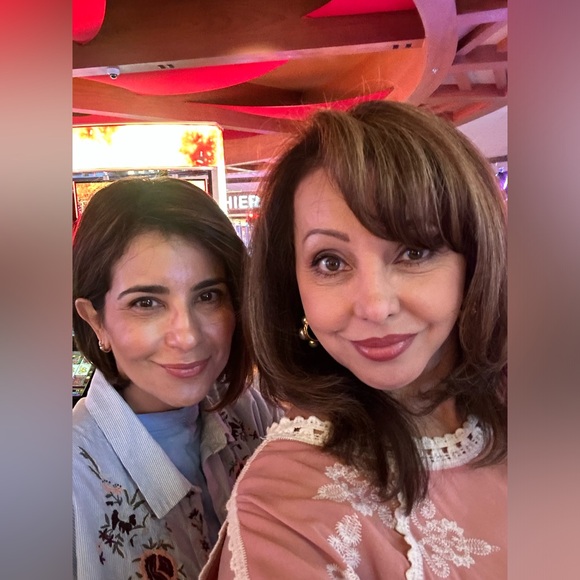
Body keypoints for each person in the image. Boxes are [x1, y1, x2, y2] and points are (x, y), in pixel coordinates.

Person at [200, 100, 507, 579]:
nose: (374, 305)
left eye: (414, 251)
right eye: (331, 262)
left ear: (475, 258)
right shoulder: (285, 505)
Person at [72, 177, 279, 579]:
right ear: (95, 320)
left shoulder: (255, 410)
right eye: (147, 303)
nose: (187, 336)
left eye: (208, 296)